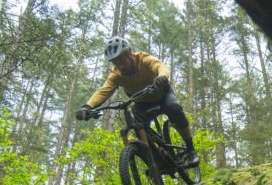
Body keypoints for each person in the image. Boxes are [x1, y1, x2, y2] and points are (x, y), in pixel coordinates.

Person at [76, 36, 199, 166]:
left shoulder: (144, 60)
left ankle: (190, 149)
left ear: (129, 54)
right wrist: (87, 107)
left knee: (174, 108)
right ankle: (155, 163)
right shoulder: (116, 76)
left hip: (162, 96)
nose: (120, 66)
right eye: (115, 63)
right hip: (142, 103)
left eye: (121, 60)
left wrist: (162, 76)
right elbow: (104, 91)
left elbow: (160, 66)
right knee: (137, 125)